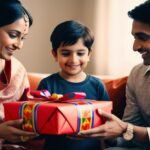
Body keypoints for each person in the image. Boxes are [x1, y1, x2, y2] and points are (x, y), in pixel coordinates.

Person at [78, 1, 150, 150]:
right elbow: (131, 133)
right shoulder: (137, 75)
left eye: (142, 37)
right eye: (134, 37)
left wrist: (125, 129)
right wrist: (107, 135)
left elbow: (128, 129)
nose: (135, 47)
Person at [37, 20, 109, 150]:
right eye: (65, 53)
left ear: (89, 54)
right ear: (55, 54)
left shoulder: (97, 85)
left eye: (80, 53)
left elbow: (107, 126)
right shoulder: (47, 84)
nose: (73, 60)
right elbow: (38, 126)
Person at [0, 0, 36, 144]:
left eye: (23, 38)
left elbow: (26, 115)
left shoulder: (18, 71)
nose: (19, 45)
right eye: (13, 35)